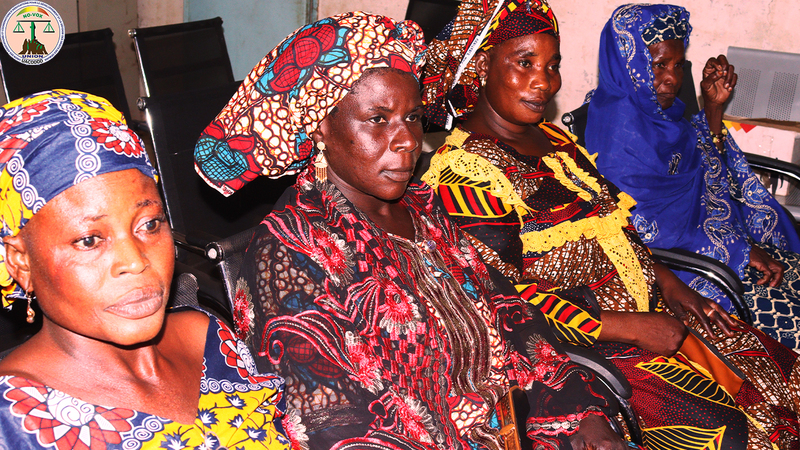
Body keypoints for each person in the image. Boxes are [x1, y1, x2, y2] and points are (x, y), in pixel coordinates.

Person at [194, 11, 631, 450]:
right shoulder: (292, 249)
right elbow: (336, 426)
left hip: (522, 428)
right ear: (322, 125)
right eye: (378, 119)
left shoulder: (424, 208)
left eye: (413, 117)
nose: (408, 140)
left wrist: (583, 415)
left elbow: (514, 318)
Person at [420, 0, 800, 449]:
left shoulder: (556, 140)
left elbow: (619, 232)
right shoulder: (463, 172)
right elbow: (499, 298)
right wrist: (629, 326)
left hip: (654, 314)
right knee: (729, 432)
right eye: (525, 63)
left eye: (553, 65)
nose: (544, 82)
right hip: (587, 346)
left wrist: (673, 286)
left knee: (781, 373)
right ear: (483, 66)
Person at [0, 90, 291, 450]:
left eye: (150, 225)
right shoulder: (13, 422)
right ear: (21, 262)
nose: (136, 260)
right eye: (89, 240)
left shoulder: (207, 339)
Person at [584, 4, 800, 350]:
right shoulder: (619, 132)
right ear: (629, 64)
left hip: (715, 250)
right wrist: (739, 247)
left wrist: (713, 107)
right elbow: (646, 232)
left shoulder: (663, 116)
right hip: (685, 276)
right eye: (658, 65)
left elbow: (703, 170)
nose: (672, 78)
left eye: (678, 65)